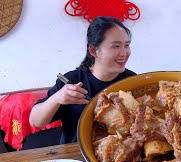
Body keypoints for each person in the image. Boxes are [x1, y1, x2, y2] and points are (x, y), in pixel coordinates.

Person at [29, 16, 136, 144]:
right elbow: (36, 121)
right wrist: (57, 98)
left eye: (126, 45)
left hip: (119, 155)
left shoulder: (132, 81)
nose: (124, 53)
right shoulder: (72, 80)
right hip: (75, 156)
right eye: (116, 46)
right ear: (93, 50)